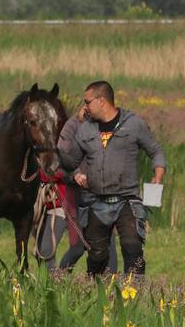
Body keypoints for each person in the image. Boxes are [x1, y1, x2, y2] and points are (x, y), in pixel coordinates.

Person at [60, 80, 166, 276]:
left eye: (87, 102)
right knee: (97, 257)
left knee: (133, 249)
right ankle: (97, 291)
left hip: (127, 201)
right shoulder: (85, 129)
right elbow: (71, 161)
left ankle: (135, 292)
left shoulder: (134, 124)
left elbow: (156, 151)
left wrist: (158, 176)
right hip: (95, 202)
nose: (85, 107)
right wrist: (54, 153)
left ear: (101, 101)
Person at [54, 104, 118, 273]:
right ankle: (59, 278)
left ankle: (111, 282)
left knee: (108, 240)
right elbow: (62, 156)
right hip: (77, 194)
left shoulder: (106, 125)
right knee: (79, 245)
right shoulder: (72, 126)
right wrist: (76, 174)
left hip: (101, 192)